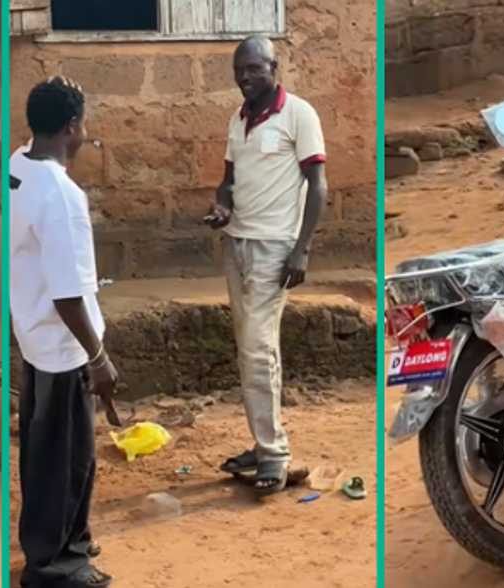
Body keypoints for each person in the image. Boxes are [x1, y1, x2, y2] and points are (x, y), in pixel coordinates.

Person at [205, 35, 328, 494]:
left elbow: (318, 185)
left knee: (258, 349)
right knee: (250, 349)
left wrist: (302, 249)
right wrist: (222, 207)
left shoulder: (299, 114)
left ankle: (274, 455)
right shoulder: (237, 120)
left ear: (274, 68)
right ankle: (263, 445)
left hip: (275, 249)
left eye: (254, 68)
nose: (244, 77)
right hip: (236, 245)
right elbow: (228, 182)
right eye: (239, 70)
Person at [10, 76, 117, 588]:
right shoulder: (61, 195)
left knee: (45, 451)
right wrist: (99, 358)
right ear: (72, 126)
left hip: (34, 336)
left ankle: (67, 538)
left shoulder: (17, 166)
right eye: (83, 122)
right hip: (63, 346)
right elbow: (68, 295)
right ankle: (53, 565)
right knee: (67, 458)